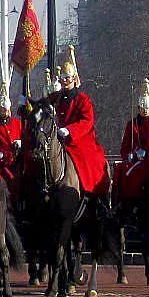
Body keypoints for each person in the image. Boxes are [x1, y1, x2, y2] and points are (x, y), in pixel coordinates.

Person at [46, 46, 111, 199]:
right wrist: (27, 106)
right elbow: (43, 107)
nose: (65, 81)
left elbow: (87, 121)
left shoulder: (83, 99)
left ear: (74, 79)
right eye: (63, 78)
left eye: (68, 78)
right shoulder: (57, 97)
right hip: (59, 139)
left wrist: (70, 130)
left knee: (89, 160)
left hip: (79, 139)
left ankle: (94, 194)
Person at [113, 79, 149, 218]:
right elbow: (124, 147)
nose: (145, 111)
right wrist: (129, 155)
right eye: (142, 108)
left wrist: (147, 153)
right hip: (135, 159)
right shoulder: (131, 125)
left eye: (147, 108)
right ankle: (119, 203)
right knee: (123, 171)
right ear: (138, 108)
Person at [0, 84, 23, 191]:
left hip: (18, 160)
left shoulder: (18, 123)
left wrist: (20, 142)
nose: (4, 112)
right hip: (1, 162)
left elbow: (25, 137)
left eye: (6, 109)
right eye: (2, 109)